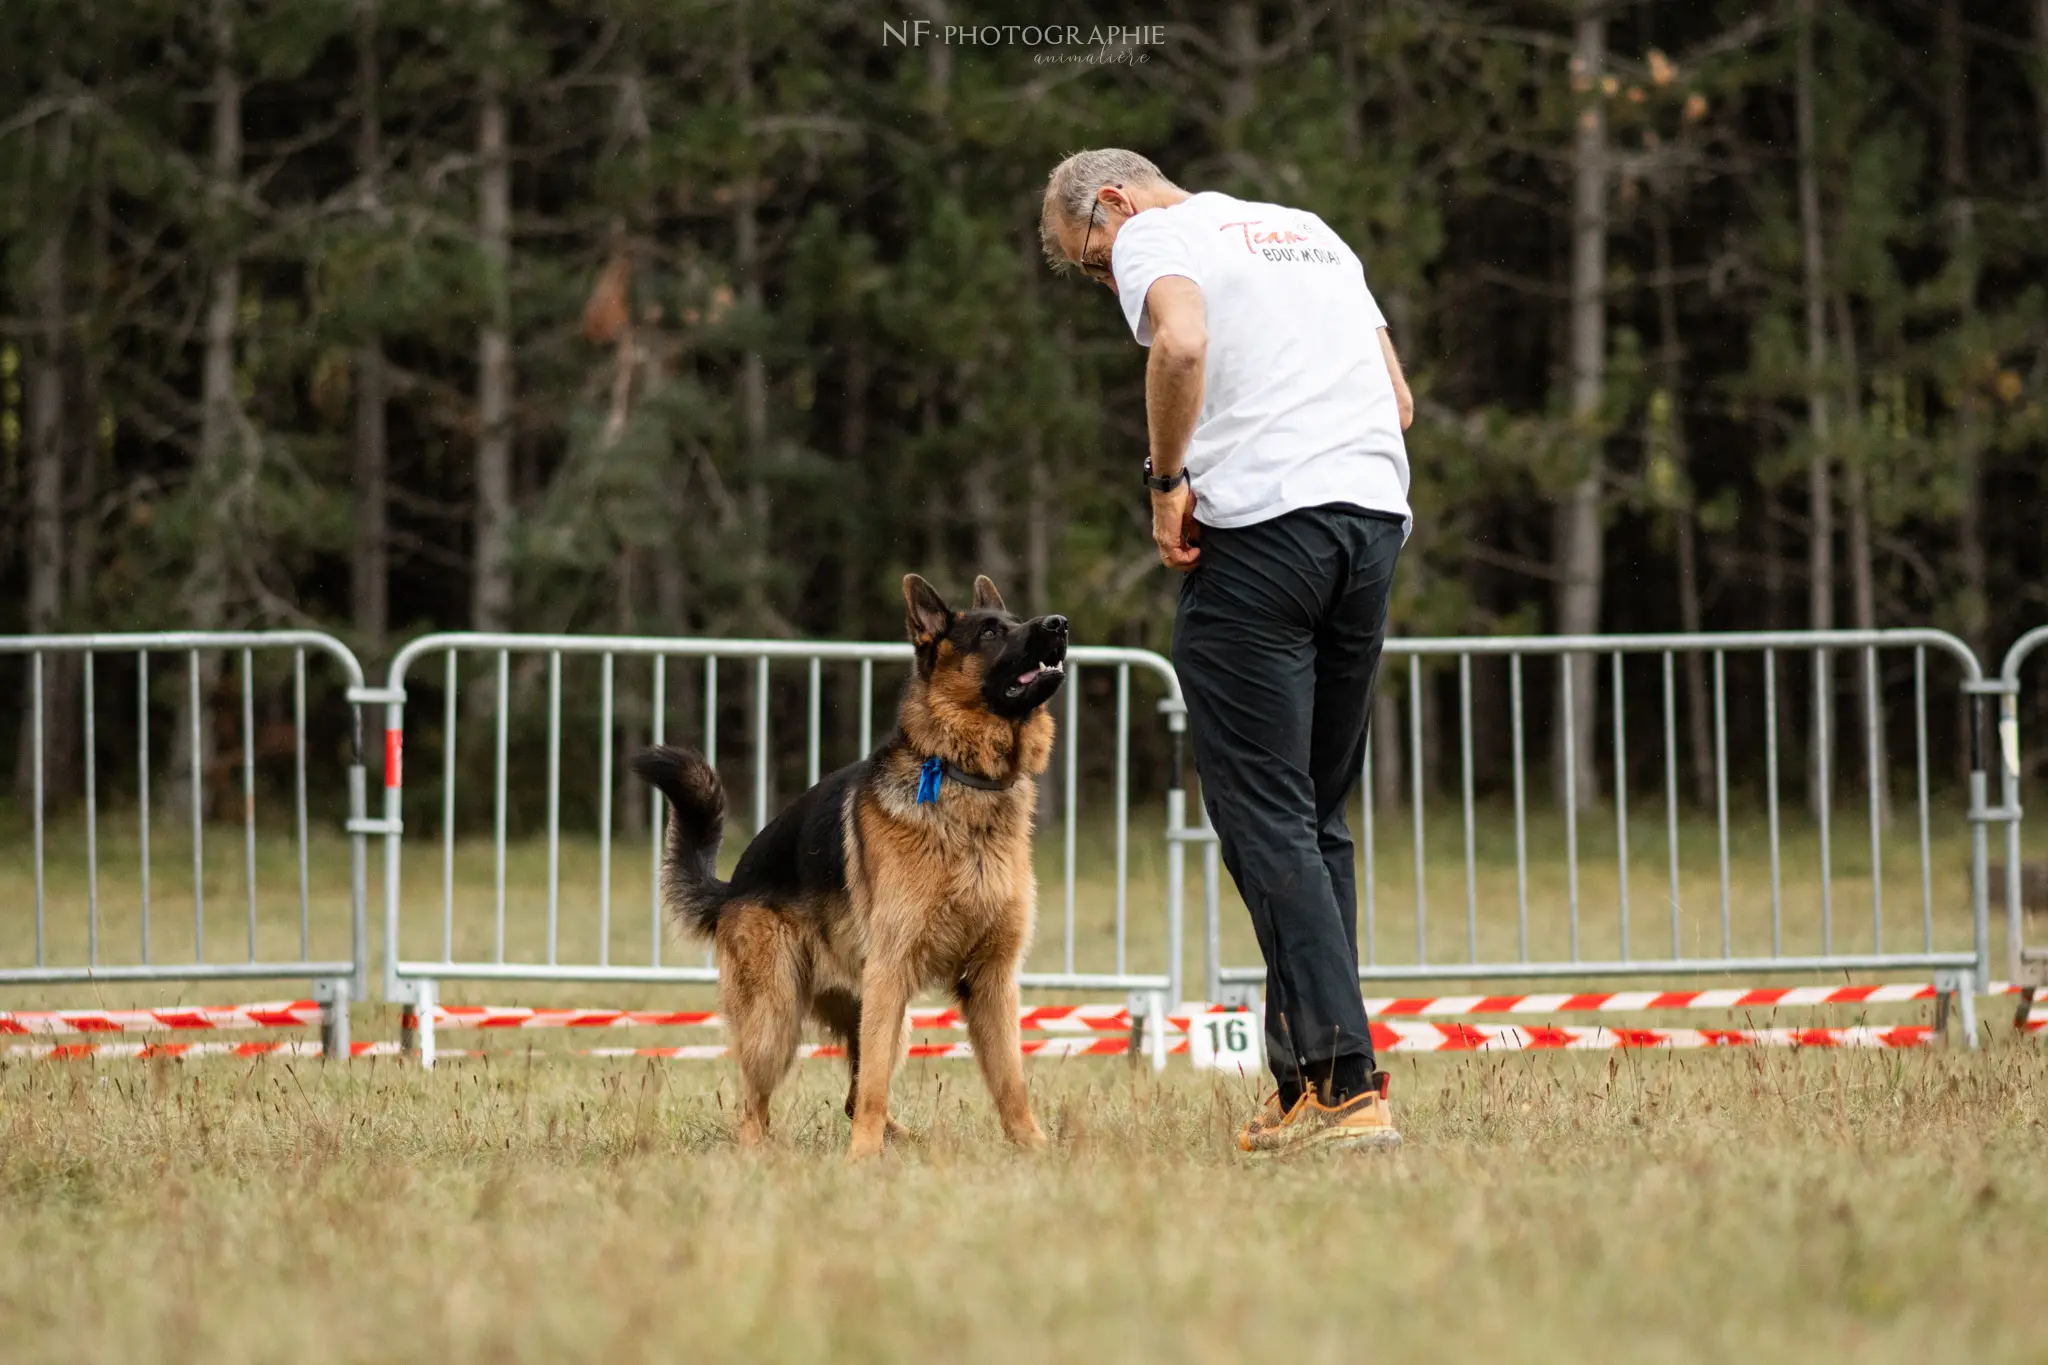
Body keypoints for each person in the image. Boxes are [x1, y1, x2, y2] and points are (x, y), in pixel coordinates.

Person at [1041, 149, 1413, 1155]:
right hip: (1371, 523)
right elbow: (1399, 400)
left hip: (1261, 542)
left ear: (1111, 200)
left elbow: (1181, 347)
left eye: (1088, 260)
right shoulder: (1306, 227)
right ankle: (1304, 1081)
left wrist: (1165, 480)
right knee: (1313, 816)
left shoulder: (1159, 232)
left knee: (1261, 814)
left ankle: (1344, 1083)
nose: (1101, 278)